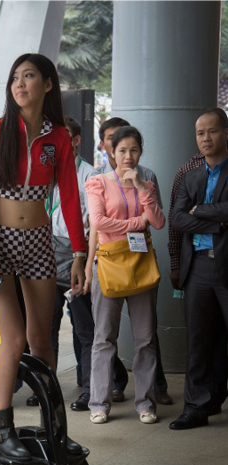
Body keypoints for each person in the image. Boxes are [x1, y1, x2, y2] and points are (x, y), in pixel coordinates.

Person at [0, 54, 87, 459]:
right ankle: (2, 429)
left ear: (48, 84)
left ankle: (51, 429)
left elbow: (71, 197)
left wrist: (79, 253)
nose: (20, 84)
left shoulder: (58, 138)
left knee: (43, 340)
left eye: (29, 76)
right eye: (15, 78)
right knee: (15, 339)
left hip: (39, 241)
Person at [85, 126, 165, 424]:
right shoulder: (98, 182)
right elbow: (99, 222)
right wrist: (136, 223)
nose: (128, 156)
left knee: (146, 338)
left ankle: (146, 403)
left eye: (133, 150)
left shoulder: (148, 184)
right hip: (109, 264)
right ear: (111, 152)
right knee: (104, 337)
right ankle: (99, 403)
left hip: (141, 262)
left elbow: (157, 221)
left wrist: (142, 190)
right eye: (122, 151)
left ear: (140, 152)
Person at [170, 108, 228, 430]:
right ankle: (195, 408)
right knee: (198, 342)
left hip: (226, 265)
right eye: (200, 133)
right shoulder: (191, 175)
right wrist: (219, 222)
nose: (206, 138)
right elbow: (177, 218)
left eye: (212, 131)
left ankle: (216, 396)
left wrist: (202, 210)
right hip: (198, 269)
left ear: (226, 133)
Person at [48, 116, 96, 411]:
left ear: (76, 141)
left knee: (84, 329)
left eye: (65, 137)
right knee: (45, 327)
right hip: (45, 253)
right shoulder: (46, 172)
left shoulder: (89, 176)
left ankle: (91, 389)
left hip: (76, 255)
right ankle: (47, 388)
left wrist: (85, 262)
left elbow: (93, 227)